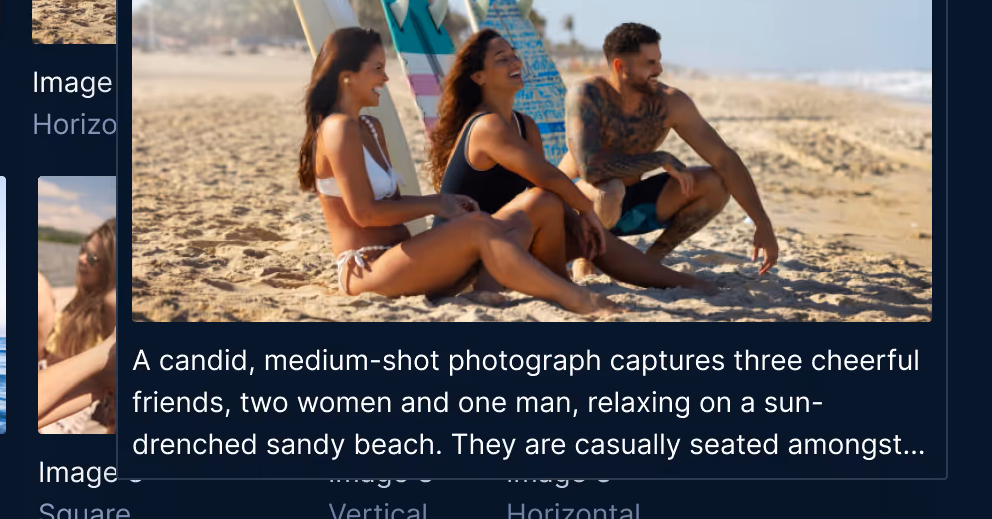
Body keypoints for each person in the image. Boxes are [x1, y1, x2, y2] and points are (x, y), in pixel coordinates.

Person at [299, 26, 613, 314]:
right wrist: (437, 203)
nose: (385, 78)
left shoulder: (370, 125)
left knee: (516, 219)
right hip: (368, 269)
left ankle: (539, 287)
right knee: (479, 225)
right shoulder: (337, 129)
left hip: (406, 259)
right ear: (346, 76)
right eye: (377, 69)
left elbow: (391, 202)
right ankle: (571, 296)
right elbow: (365, 213)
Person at [429, 29, 707, 292]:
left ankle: (679, 281)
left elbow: (541, 190)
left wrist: (578, 225)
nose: (515, 62)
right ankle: (566, 284)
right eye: (502, 59)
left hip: (504, 237)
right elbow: (547, 178)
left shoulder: (524, 125)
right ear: (479, 77)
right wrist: (585, 212)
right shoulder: (486, 125)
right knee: (567, 214)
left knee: (594, 237)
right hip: (461, 253)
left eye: (514, 54)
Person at [562, 21, 779, 272]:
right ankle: (585, 260)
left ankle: (652, 260)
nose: (660, 69)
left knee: (716, 183)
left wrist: (762, 222)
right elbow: (591, 170)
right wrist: (659, 158)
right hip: (578, 206)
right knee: (608, 190)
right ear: (621, 66)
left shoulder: (670, 103)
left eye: (659, 61)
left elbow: (726, 159)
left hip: (632, 208)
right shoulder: (587, 95)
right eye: (650, 63)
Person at [43, 221, 117, 430]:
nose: (81, 259)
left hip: (72, 398)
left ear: (111, 268)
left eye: (92, 258)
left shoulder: (109, 306)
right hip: (47, 377)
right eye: (83, 251)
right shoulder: (77, 303)